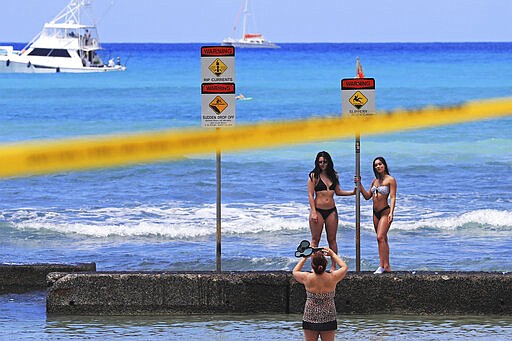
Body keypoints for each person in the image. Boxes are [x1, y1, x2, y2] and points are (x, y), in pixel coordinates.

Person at [308, 151, 355, 271]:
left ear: (328, 162)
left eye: (324, 162)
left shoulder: (334, 175)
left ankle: (334, 266)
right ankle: (314, 267)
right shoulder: (314, 176)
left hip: (331, 211)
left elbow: (338, 192)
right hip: (318, 210)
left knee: (332, 239)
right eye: (320, 162)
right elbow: (310, 194)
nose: (322, 164)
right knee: (315, 240)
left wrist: (352, 192)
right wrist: (313, 211)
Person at [293, 247, 348, 341]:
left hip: (310, 316)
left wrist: (305, 257)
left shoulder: (307, 277)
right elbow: (344, 267)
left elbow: (295, 271)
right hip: (329, 316)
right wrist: (332, 254)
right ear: (325, 264)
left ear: (312, 265)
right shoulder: (333, 277)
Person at [356, 156, 397, 274]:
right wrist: (359, 184)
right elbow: (367, 196)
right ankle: (386, 265)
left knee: (380, 237)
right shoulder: (375, 181)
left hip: (385, 211)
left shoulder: (390, 180)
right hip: (375, 213)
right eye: (376, 165)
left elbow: (393, 197)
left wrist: (392, 212)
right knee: (382, 239)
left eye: (380, 164)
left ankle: (381, 266)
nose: (378, 166)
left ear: (384, 165)